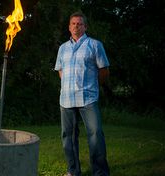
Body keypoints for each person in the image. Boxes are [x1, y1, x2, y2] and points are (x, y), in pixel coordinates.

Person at [54, 11, 110, 176]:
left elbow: (104, 70)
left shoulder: (95, 45)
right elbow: (60, 70)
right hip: (66, 99)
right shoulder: (63, 48)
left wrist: (93, 86)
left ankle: (99, 172)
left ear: (85, 27)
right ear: (69, 27)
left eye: (79, 24)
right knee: (68, 137)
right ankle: (73, 171)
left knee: (95, 134)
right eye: (73, 24)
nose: (76, 26)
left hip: (88, 98)